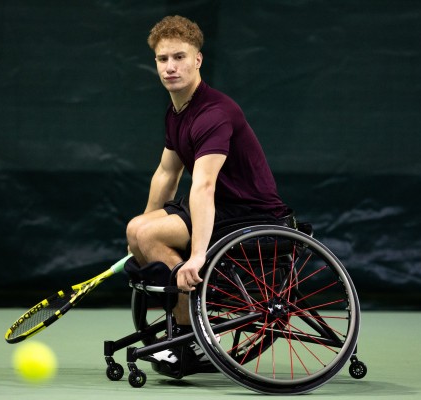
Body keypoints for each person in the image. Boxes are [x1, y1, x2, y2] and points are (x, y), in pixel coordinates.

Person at [126, 15, 291, 364]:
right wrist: (137, 238)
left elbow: (203, 186)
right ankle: (184, 317)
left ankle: (193, 337)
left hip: (250, 212)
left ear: (198, 59)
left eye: (179, 57)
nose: (170, 67)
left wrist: (198, 256)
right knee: (137, 228)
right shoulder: (176, 111)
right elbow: (166, 173)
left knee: (151, 235)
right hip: (222, 205)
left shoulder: (213, 113)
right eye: (162, 59)